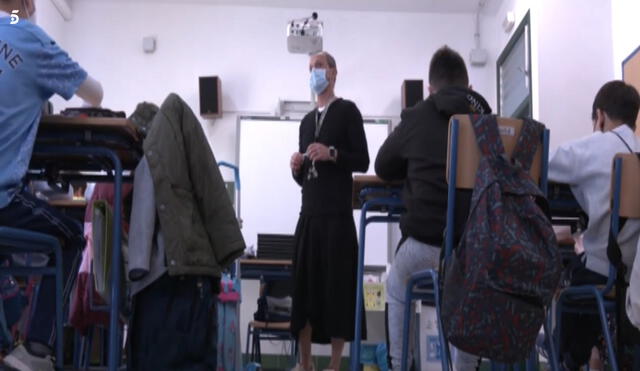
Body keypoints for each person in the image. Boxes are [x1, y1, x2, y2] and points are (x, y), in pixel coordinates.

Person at [0, 1, 103, 369]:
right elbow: (95, 94)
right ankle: (36, 349)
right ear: (29, 5)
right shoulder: (30, 35)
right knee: (71, 237)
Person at [375, 46, 491, 371]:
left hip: (423, 247)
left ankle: (400, 365)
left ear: (430, 88)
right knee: (468, 289)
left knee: (397, 284)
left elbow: (383, 165)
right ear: (469, 87)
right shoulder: (488, 120)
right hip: (473, 250)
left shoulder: (418, 115)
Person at [548, 80, 640, 370]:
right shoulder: (636, 153)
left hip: (604, 272)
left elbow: (544, 161)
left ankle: (563, 355)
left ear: (600, 116)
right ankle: (590, 354)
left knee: (569, 276)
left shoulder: (599, 145)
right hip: (632, 277)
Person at [289, 51, 369, 371]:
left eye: (319, 66)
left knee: (338, 291)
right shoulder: (307, 121)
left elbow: (362, 160)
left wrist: (332, 152)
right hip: (309, 216)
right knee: (304, 291)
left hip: (337, 217)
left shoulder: (348, 111)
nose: (314, 72)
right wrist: (296, 167)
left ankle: (335, 365)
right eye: (310, 68)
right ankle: (305, 363)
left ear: (334, 72)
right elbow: (306, 178)